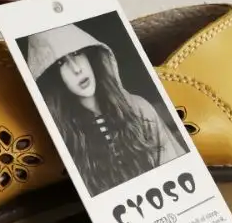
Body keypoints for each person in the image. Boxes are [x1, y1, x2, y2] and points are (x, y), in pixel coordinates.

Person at [26, 23, 186, 196]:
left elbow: (176, 172)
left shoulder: (139, 109)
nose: (76, 69)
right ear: (51, 77)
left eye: (76, 53)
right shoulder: (63, 138)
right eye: (61, 63)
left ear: (90, 56)